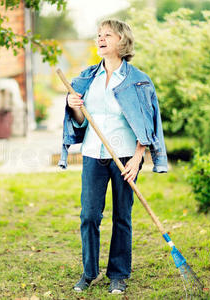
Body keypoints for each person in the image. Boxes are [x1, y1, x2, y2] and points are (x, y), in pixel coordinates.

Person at [57, 19, 168, 294]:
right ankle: (89, 272)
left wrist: (137, 158)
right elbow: (81, 122)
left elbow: (148, 122)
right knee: (89, 215)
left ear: (122, 41)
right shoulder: (86, 79)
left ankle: (118, 274)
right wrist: (74, 107)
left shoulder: (138, 81)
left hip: (125, 156)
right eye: (98, 35)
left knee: (122, 216)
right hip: (94, 155)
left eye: (108, 34)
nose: (101, 39)